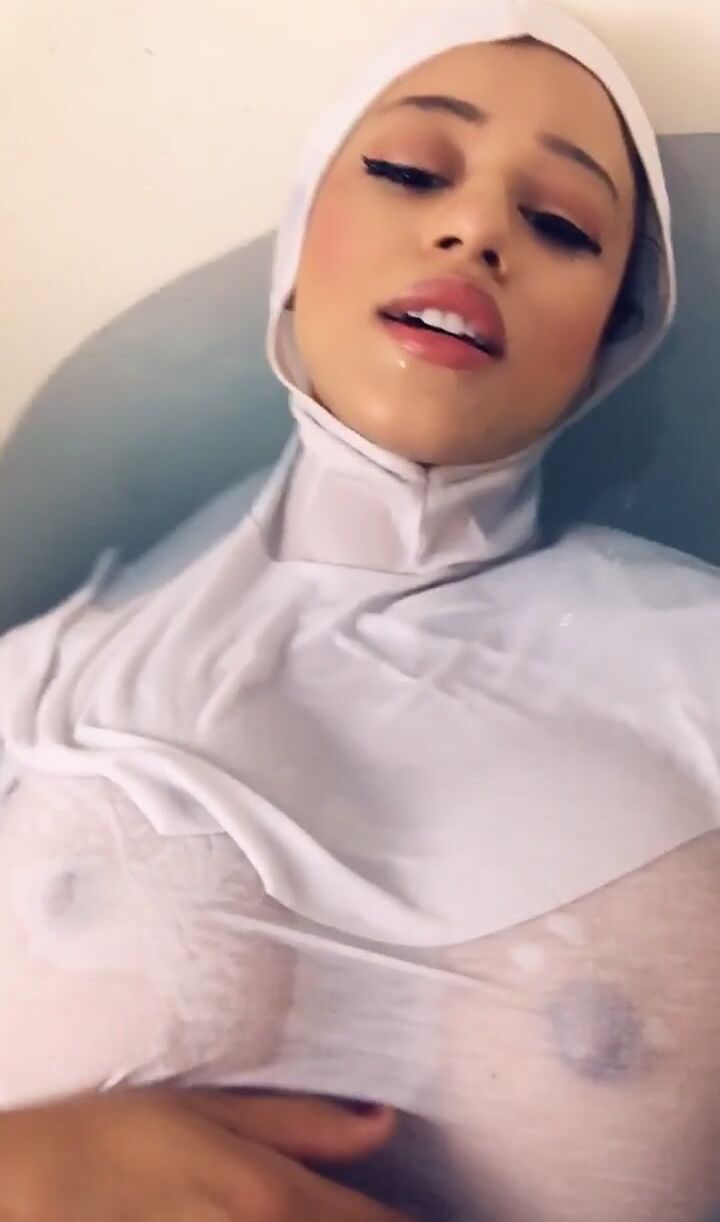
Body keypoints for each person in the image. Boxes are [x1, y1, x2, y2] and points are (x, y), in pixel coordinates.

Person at [0, 1, 719, 1218]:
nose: (476, 227)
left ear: (615, 335)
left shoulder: (701, 670)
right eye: (408, 170)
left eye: (559, 222)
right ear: (298, 236)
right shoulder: (44, 678)